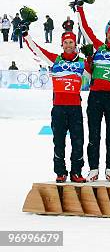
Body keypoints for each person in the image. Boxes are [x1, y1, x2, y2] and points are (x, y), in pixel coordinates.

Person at [24, 28, 89, 183]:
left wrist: (91, 57)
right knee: (58, 141)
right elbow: (37, 50)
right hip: (59, 108)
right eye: (66, 42)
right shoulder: (55, 59)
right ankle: (60, 172)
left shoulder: (82, 63)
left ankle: (76, 172)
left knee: (77, 141)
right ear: (62, 44)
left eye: (71, 42)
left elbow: (95, 74)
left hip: (75, 108)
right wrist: (26, 35)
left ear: (75, 44)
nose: (68, 45)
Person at [76, 4, 110, 182]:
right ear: (106, 35)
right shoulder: (98, 47)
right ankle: (93, 168)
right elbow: (85, 29)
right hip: (96, 96)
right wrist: (80, 10)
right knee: (94, 134)